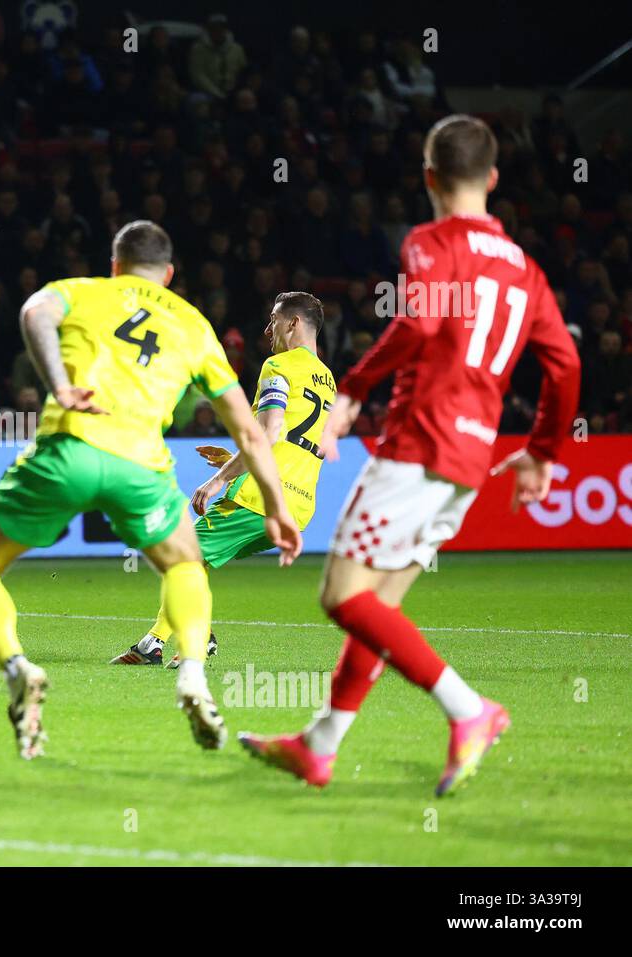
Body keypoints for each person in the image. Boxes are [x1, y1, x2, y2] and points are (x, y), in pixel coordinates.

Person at [240, 115, 582, 796]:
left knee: (340, 595)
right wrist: (542, 451)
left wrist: (357, 387)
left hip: (419, 443)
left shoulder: (430, 241)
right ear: (491, 178)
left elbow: (420, 321)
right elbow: (566, 364)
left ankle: (469, 708)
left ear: (428, 176)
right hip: (468, 461)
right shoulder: (528, 271)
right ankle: (321, 745)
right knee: (378, 608)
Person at [0, 221, 301, 760]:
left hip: (69, 449)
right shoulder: (192, 322)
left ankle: (17, 668)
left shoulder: (83, 290)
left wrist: (61, 385)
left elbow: (32, 314)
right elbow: (251, 432)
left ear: (115, 264)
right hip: (142, 467)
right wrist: (277, 508)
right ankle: (194, 679)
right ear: (169, 273)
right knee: (185, 565)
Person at [110, 292, 336, 665]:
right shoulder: (328, 381)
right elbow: (292, 441)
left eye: (274, 319)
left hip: (258, 498)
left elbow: (268, 432)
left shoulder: (279, 366)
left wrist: (217, 480)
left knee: (178, 552)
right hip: (297, 508)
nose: (268, 329)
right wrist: (233, 460)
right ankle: (192, 638)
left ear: (294, 323)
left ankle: (159, 642)